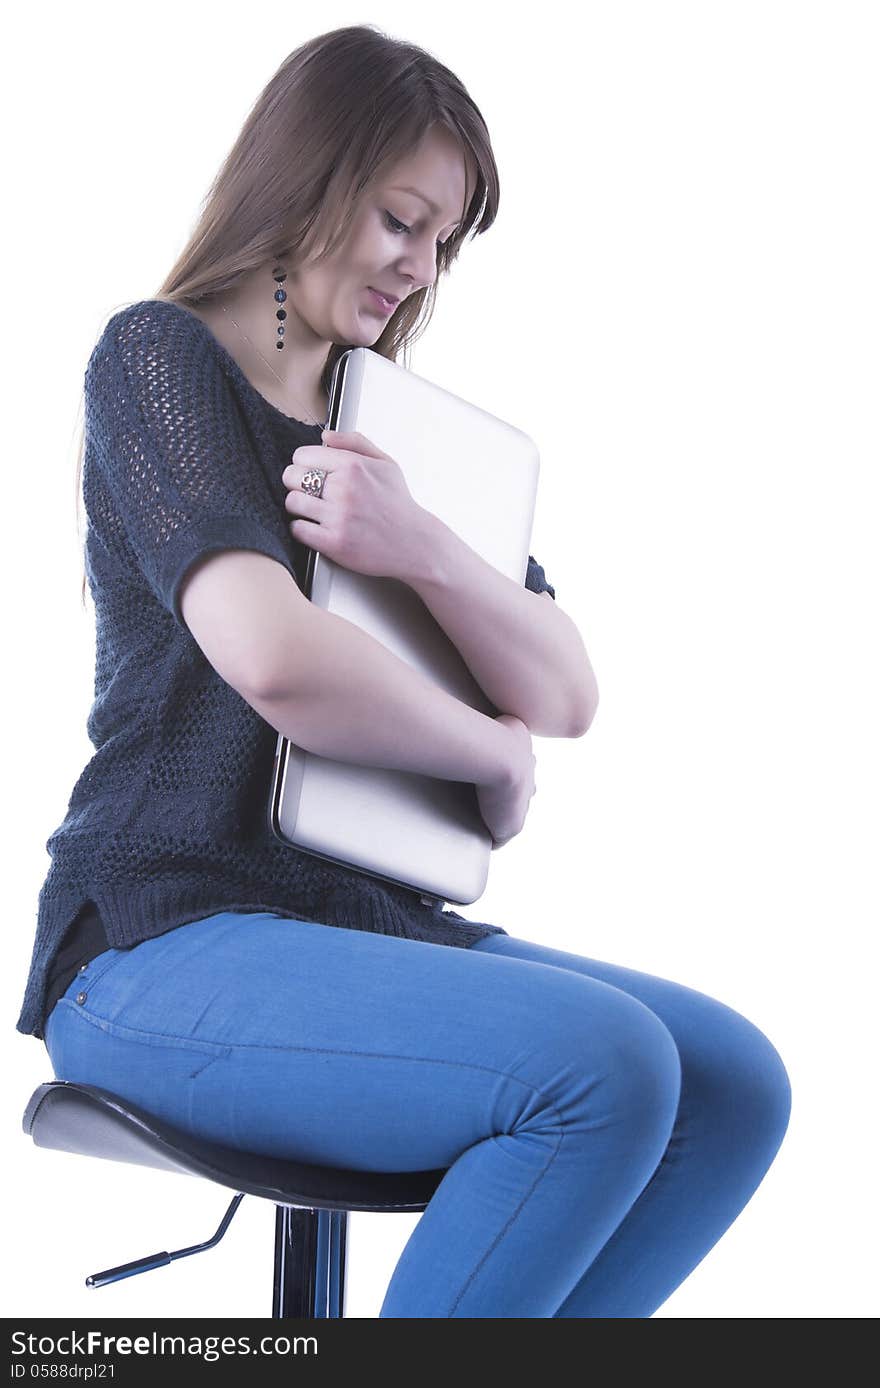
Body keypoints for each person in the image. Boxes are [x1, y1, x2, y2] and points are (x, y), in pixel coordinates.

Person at [19, 25, 791, 1317]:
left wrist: (417, 542)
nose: (421, 266)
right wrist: (484, 753)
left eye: (445, 241)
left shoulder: (391, 438)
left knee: (729, 1086)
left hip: (368, 927)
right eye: (401, 219)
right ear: (307, 177)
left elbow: (565, 689)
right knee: (599, 1065)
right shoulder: (160, 360)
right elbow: (273, 655)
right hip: (162, 940)